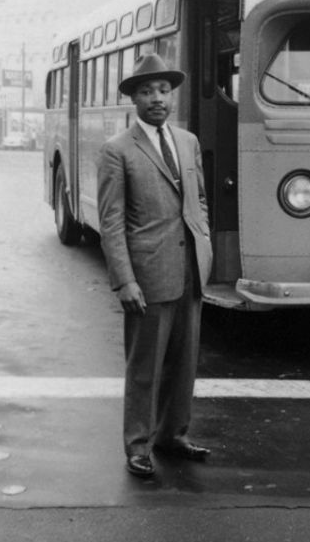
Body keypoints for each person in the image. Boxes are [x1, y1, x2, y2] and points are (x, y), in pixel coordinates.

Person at [96, 54, 214, 478]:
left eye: (163, 90)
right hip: (147, 274)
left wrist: (205, 246)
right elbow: (111, 223)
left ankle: (172, 435)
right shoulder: (117, 151)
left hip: (189, 269)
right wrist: (124, 280)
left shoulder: (188, 142)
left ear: (171, 95)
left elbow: (198, 199)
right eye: (146, 91)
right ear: (134, 99)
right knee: (145, 366)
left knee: (184, 361)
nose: (156, 98)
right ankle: (138, 445)